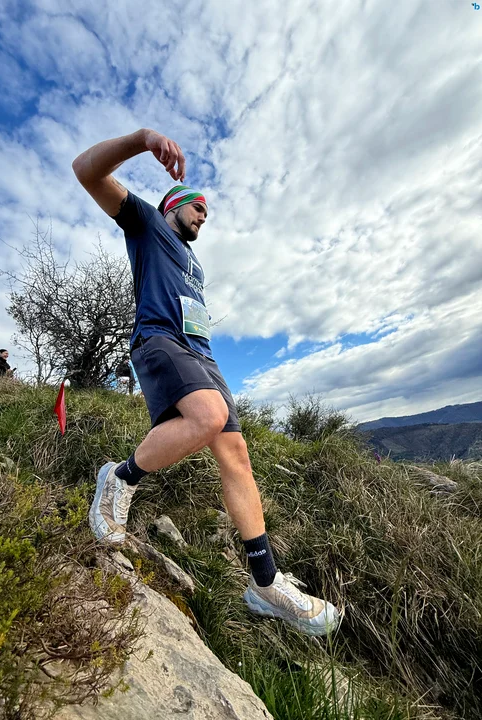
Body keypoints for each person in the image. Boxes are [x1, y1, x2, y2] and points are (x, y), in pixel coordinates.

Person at [72, 129, 339, 636]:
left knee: (237, 456)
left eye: (207, 214)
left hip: (203, 355)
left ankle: (265, 583)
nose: (203, 218)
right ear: (174, 204)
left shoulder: (193, 260)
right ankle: (120, 477)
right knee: (209, 417)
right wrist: (142, 140)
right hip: (160, 340)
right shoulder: (148, 223)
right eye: (199, 209)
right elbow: (85, 170)